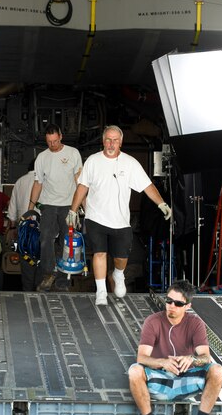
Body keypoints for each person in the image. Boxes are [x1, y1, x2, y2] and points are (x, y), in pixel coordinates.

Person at [67, 124, 171, 305]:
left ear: (120, 142)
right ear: (103, 141)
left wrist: (161, 202)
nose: (111, 143)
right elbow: (82, 186)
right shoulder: (92, 161)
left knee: (121, 258)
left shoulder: (130, 163)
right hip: (96, 217)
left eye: (115, 140)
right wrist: (73, 209)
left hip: (121, 221)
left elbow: (147, 186)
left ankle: (118, 273)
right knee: (99, 253)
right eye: (108, 139)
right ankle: (101, 292)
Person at [128, 279, 222, 415]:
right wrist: (162, 362)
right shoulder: (153, 321)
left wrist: (192, 359)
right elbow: (142, 358)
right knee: (134, 371)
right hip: (160, 376)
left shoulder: (195, 323)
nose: (171, 305)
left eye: (178, 303)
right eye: (168, 300)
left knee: (216, 370)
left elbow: (205, 356)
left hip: (185, 377)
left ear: (187, 306)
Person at [28, 123, 82, 292]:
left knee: (67, 241)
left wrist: (83, 207)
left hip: (68, 204)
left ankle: (63, 278)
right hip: (49, 204)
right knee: (45, 238)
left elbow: (79, 181)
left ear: (61, 137)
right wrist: (30, 209)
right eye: (49, 142)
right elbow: (38, 183)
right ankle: (48, 273)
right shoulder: (42, 158)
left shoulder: (73, 153)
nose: (53, 145)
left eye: (55, 141)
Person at [7, 159, 40, 291]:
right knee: (43, 260)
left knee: (26, 261)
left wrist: (13, 227)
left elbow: (12, 210)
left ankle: (27, 291)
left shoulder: (20, 181)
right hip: (42, 226)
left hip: (24, 228)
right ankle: (40, 290)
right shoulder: (45, 181)